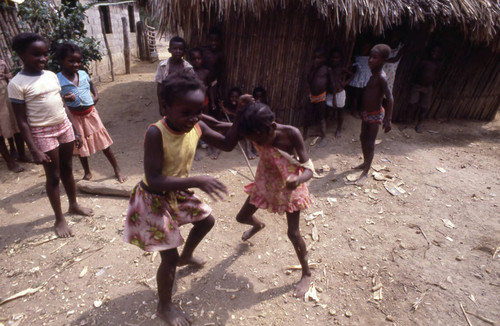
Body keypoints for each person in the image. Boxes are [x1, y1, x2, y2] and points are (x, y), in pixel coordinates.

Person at [123, 72, 241, 326]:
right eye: (186, 112)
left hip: (176, 192)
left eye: (199, 111)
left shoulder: (197, 125)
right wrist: (197, 180)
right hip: (153, 198)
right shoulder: (157, 133)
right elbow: (154, 179)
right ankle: (164, 306)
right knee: (169, 257)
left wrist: (242, 115)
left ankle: (187, 255)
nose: (194, 118)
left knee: (206, 221)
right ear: (165, 108)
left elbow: (227, 144)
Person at [8, 33, 93, 237]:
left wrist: (74, 128)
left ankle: (73, 204)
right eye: (36, 54)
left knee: (67, 169)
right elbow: (21, 121)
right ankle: (59, 219)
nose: (43, 59)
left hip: (63, 126)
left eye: (45, 54)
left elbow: (63, 105)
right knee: (53, 176)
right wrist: (34, 149)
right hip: (42, 132)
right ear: (21, 54)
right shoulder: (17, 84)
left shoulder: (51, 75)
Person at [235, 102, 314, 298]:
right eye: (254, 140)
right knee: (242, 217)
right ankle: (258, 225)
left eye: (260, 138)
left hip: (290, 187)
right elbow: (225, 127)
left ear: (271, 127)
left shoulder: (291, 134)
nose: (259, 144)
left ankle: (306, 273)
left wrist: (298, 180)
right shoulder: (256, 131)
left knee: (293, 233)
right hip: (264, 182)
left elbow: (309, 168)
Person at [55, 43, 126, 182]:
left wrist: (96, 95)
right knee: (81, 145)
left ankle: (116, 168)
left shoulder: (82, 74)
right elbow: (58, 100)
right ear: (61, 61)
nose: (76, 64)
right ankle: (87, 172)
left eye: (78, 61)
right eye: (71, 61)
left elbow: (91, 84)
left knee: (104, 143)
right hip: (74, 116)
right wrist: (65, 98)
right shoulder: (58, 79)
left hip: (90, 114)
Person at [349, 44, 393, 185]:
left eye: (374, 58)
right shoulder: (373, 75)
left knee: (370, 142)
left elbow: (390, 98)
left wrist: (388, 119)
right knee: (363, 138)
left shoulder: (381, 77)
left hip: (375, 115)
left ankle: (366, 171)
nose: (370, 60)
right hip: (367, 113)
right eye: (370, 57)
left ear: (383, 60)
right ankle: (365, 162)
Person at [401, 45, 442, 133]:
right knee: (412, 104)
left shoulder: (437, 64)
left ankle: (419, 124)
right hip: (417, 85)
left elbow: (437, 76)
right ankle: (406, 122)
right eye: (433, 51)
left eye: (437, 52)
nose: (434, 54)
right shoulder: (424, 62)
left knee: (424, 107)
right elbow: (416, 73)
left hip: (428, 87)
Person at [155, 36, 194, 116]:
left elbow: (192, 88)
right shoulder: (163, 66)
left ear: (184, 51)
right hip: (168, 103)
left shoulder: (188, 68)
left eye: (180, 49)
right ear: (169, 50)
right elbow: (160, 87)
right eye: (175, 49)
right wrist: (161, 106)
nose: (178, 51)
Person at [303, 47, 334, 147]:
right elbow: (309, 80)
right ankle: (304, 134)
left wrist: (334, 99)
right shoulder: (313, 68)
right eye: (315, 57)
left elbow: (332, 84)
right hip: (312, 96)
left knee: (322, 117)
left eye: (319, 57)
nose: (316, 59)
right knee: (307, 115)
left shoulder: (327, 69)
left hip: (321, 97)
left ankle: (323, 137)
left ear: (324, 58)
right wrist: (314, 68)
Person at [0, 58, 25, 172]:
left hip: (5, 93)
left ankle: (22, 155)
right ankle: (10, 162)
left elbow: (8, 75)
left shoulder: (1, 62)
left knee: (15, 122)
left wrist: (6, 75)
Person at [326, 48, 353, 138]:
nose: (334, 59)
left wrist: (345, 83)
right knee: (329, 112)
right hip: (330, 94)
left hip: (339, 93)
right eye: (333, 57)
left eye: (337, 57)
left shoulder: (341, 68)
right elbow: (331, 83)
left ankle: (339, 129)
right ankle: (324, 129)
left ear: (340, 59)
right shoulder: (329, 69)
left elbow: (352, 75)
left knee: (340, 112)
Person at [347, 40, 372, 118]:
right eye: (364, 47)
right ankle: (354, 111)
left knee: (365, 96)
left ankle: (362, 111)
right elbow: (351, 66)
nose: (365, 49)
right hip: (358, 79)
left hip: (367, 79)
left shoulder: (370, 58)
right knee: (356, 96)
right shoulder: (357, 57)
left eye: (367, 47)